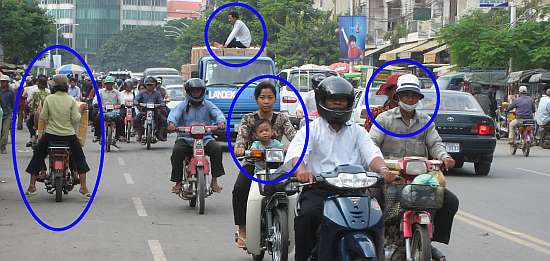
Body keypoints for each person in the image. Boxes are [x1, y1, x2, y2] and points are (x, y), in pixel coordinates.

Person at [284, 76, 394, 261]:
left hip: (356, 192)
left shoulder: (358, 131)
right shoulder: (311, 130)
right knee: (307, 217)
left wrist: (383, 170)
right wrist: (302, 170)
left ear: (348, 103)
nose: (337, 104)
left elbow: (372, 154)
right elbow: (297, 153)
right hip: (319, 190)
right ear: (322, 102)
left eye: (342, 100)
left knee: (376, 218)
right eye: (333, 100)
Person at [369, 74, 459, 261]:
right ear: (398, 97)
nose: (410, 99)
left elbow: (435, 144)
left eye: (413, 95)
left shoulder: (426, 121)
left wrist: (445, 157)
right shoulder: (383, 119)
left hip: (419, 179)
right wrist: (381, 166)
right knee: (373, 201)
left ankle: (429, 240)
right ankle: (376, 242)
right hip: (391, 176)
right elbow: (371, 144)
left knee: (450, 201)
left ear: (418, 98)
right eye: (406, 95)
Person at [232, 81, 296, 249]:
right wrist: (239, 147)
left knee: (298, 189)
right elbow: (241, 138)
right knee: (239, 189)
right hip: (254, 162)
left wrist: (296, 146)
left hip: (278, 163)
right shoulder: (249, 119)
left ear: (275, 99)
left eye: (270, 97)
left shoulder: (282, 118)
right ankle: (243, 231)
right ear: (256, 100)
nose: (266, 101)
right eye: (262, 97)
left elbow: (294, 136)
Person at [24, 74, 91, 198]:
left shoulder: (49, 99)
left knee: (37, 157)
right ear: (66, 86)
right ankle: (83, 187)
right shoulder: (71, 99)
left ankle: (32, 186)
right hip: (69, 136)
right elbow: (76, 119)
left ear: (54, 86)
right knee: (80, 158)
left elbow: (43, 117)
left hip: (50, 135)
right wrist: (80, 112)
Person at [167, 78, 226, 194]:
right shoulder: (182, 106)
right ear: (188, 92)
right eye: (193, 91)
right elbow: (174, 115)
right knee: (177, 152)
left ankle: (214, 181)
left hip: (205, 139)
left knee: (217, 149)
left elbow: (217, 113)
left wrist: (221, 122)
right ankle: (178, 182)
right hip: (186, 139)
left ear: (203, 91)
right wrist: (171, 124)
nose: (196, 93)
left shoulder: (208, 105)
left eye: (198, 91)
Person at [92, 76, 125, 143]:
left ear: (113, 84)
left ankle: (119, 135)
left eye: (110, 83)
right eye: (107, 83)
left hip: (114, 111)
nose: (109, 85)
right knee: (97, 118)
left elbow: (121, 99)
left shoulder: (117, 92)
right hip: (103, 110)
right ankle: (97, 135)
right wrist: (96, 103)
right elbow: (95, 99)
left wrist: (122, 104)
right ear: (105, 84)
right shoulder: (100, 91)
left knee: (120, 119)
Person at [134, 76, 167, 142]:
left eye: (151, 85)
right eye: (148, 85)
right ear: (145, 85)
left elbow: (161, 100)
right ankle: (139, 134)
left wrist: (162, 103)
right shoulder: (142, 93)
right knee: (135, 119)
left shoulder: (157, 93)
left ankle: (160, 134)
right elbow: (136, 99)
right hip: (144, 111)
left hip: (155, 112)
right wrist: (136, 102)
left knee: (164, 120)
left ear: (155, 85)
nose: (150, 86)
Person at [26, 75, 50, 147]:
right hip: (46, 114)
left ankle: (33, 136)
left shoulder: (35, 92)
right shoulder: (48, 92)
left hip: (36, 114)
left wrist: (30, 111)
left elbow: (30, 103)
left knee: (29, 123)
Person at [0, 75, 15, 154]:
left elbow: (13, 103)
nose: (2, 83)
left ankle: (2, 147)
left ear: (7, 82)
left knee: (5, 133)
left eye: (3, 81)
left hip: (7, 114)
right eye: (1, 81)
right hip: (0, 114)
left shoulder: (11, 91)